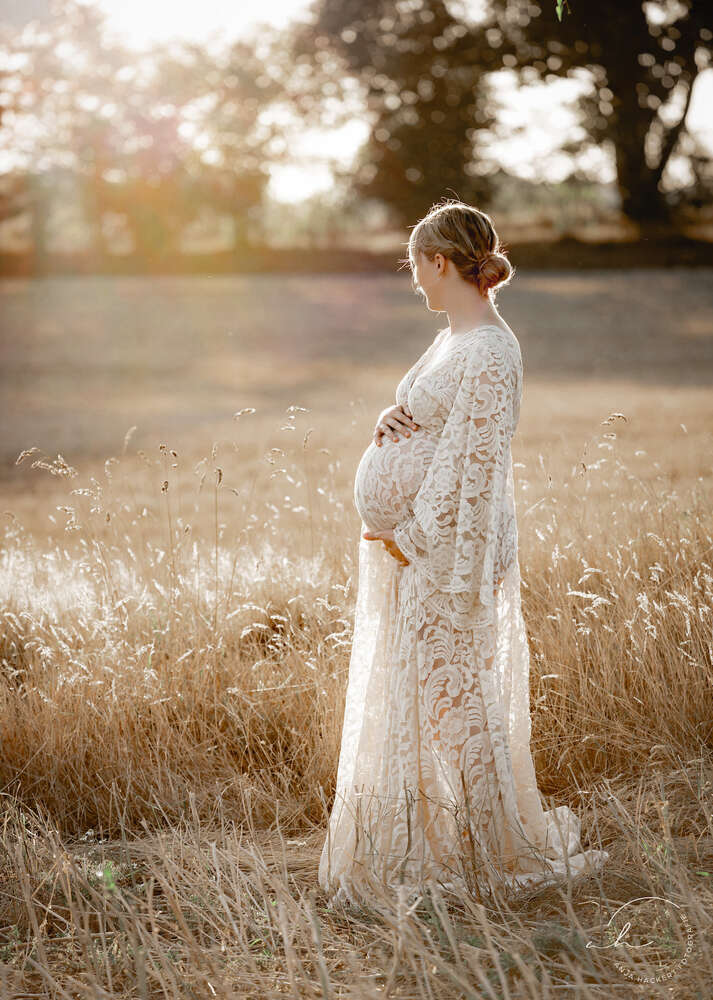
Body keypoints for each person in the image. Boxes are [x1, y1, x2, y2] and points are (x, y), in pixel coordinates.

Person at [319, 199, 608, 905]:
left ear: (440, 263)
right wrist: (386, 420)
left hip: (448, 558)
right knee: (429, 699)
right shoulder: (455, 338)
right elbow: (430, 425)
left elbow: (474, 469)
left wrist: (411, 537)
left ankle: (488, 851)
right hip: (417, 554)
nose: (414, 280)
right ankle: (445, 838)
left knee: (456, 705)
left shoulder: (487, 348)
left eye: (416, 266)